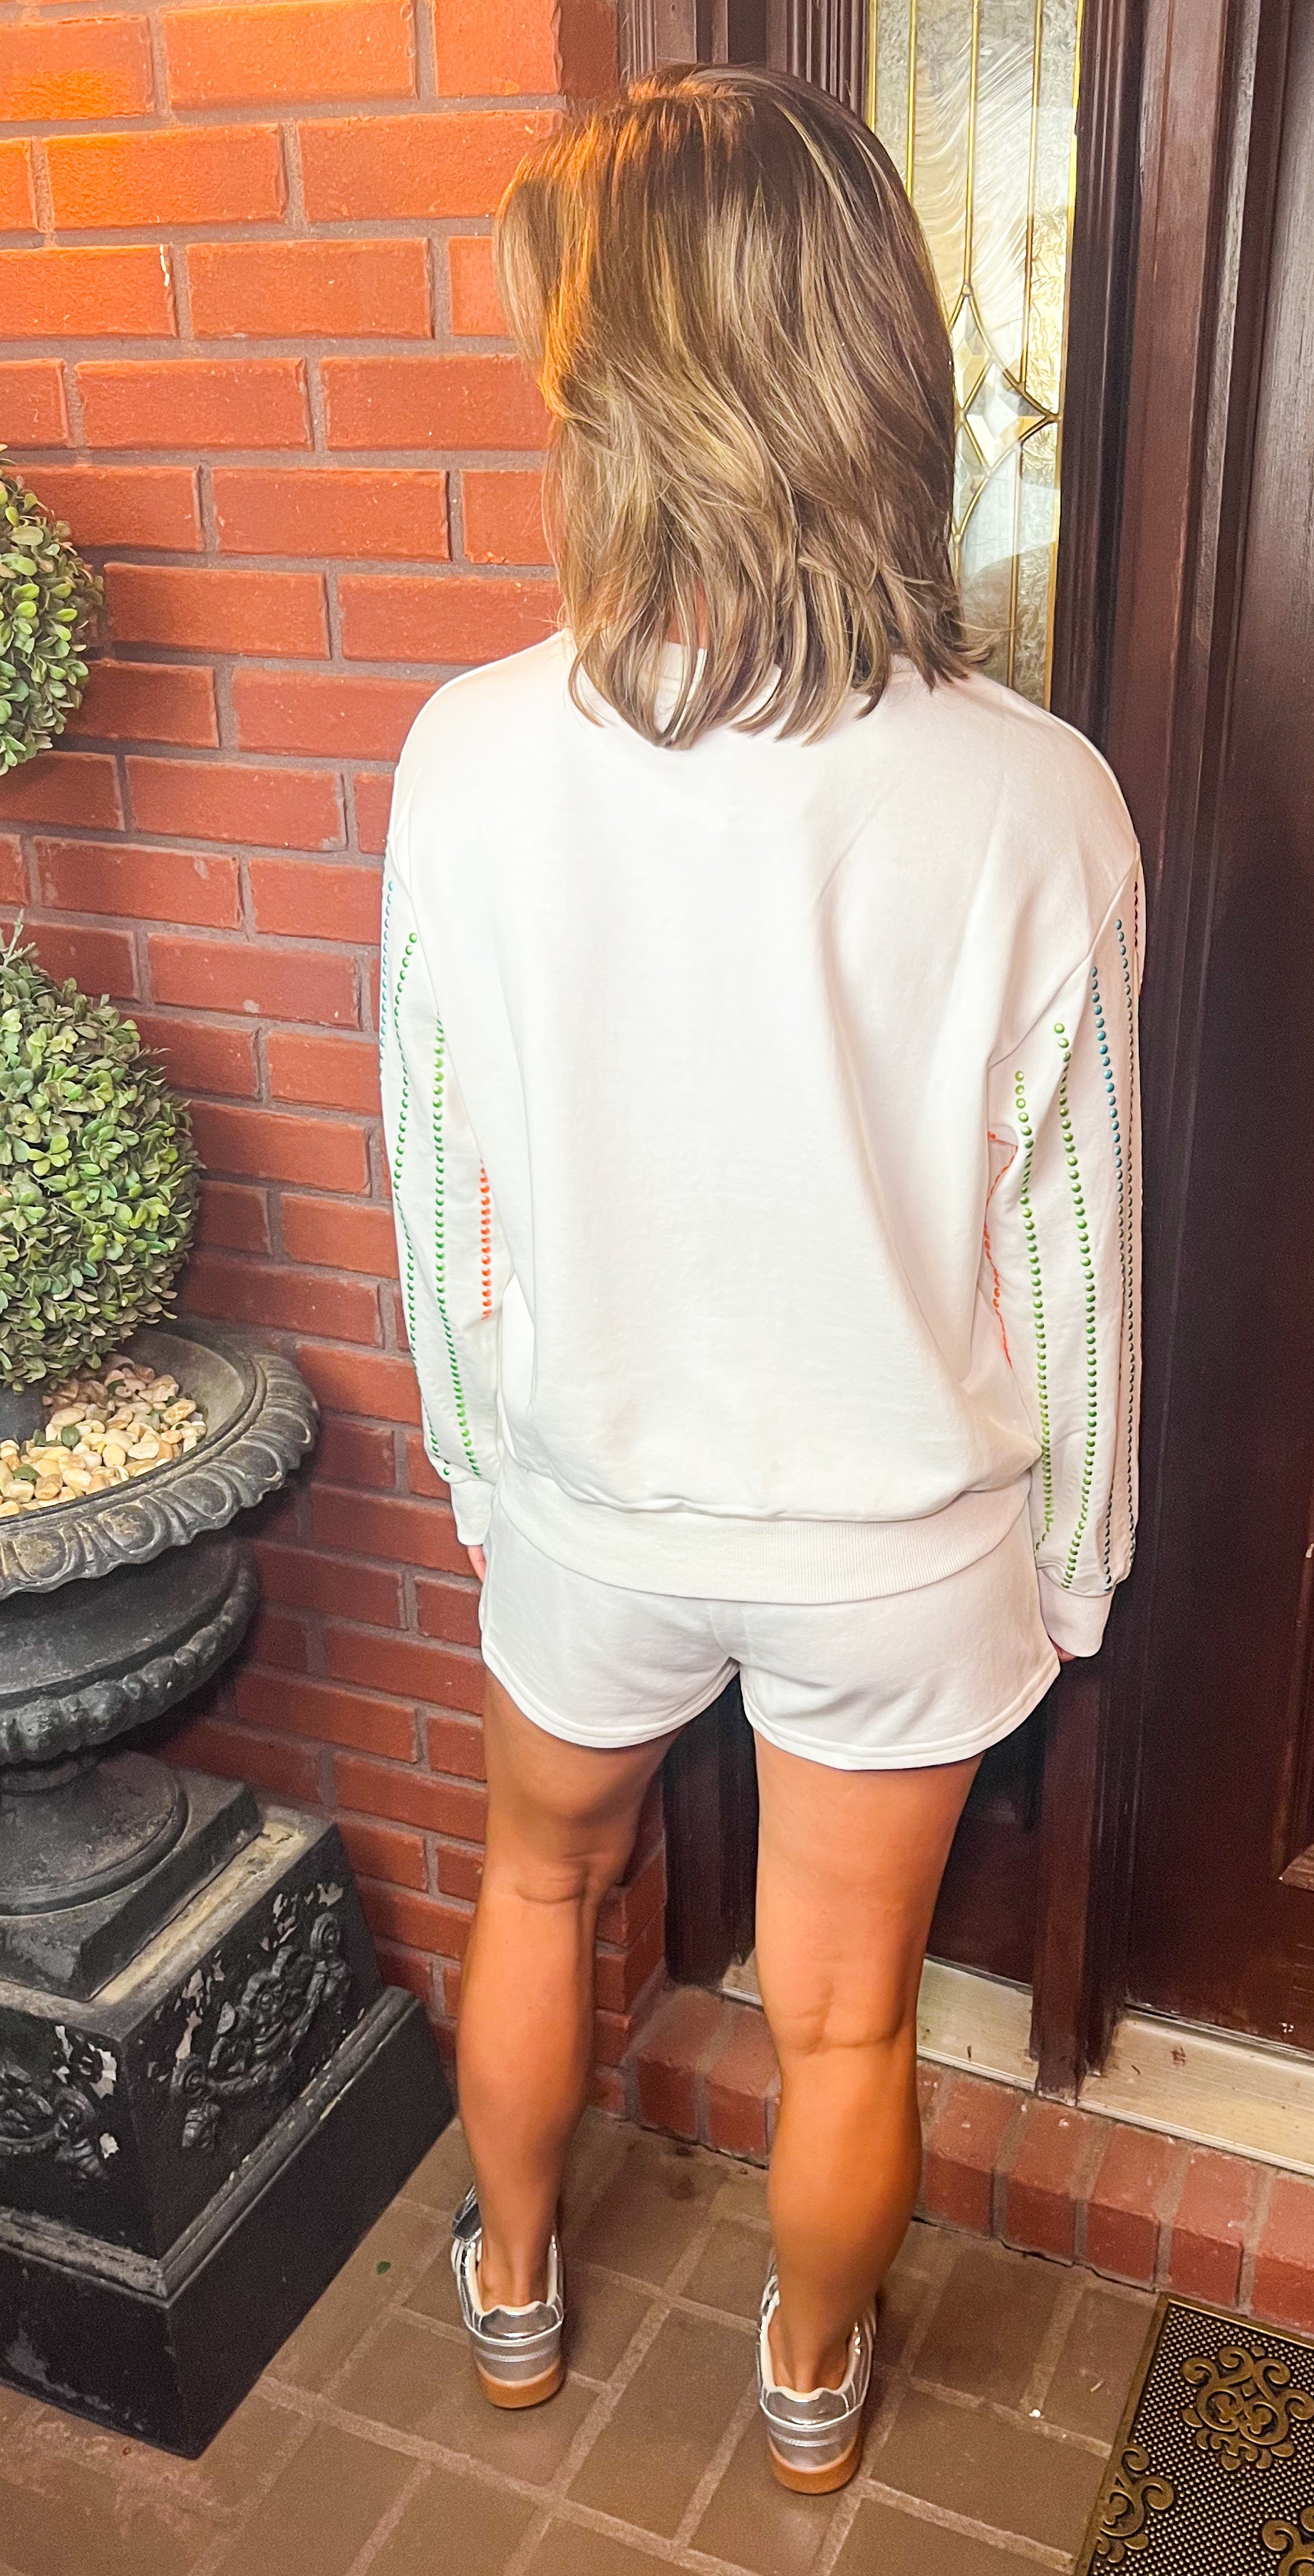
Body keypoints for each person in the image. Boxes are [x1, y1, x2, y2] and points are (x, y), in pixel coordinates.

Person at [381, 63, 1142, 2495]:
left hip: (592, 1506)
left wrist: (490, 1483)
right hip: (897, 1548)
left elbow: (435, 1181)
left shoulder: (464, 758)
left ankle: (513, 2293)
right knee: (843, 2022)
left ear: (625, 386)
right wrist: (1077, 1564)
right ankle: (808, 2395)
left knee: (533, 1878)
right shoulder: (1034, 796)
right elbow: (1071, 1247)